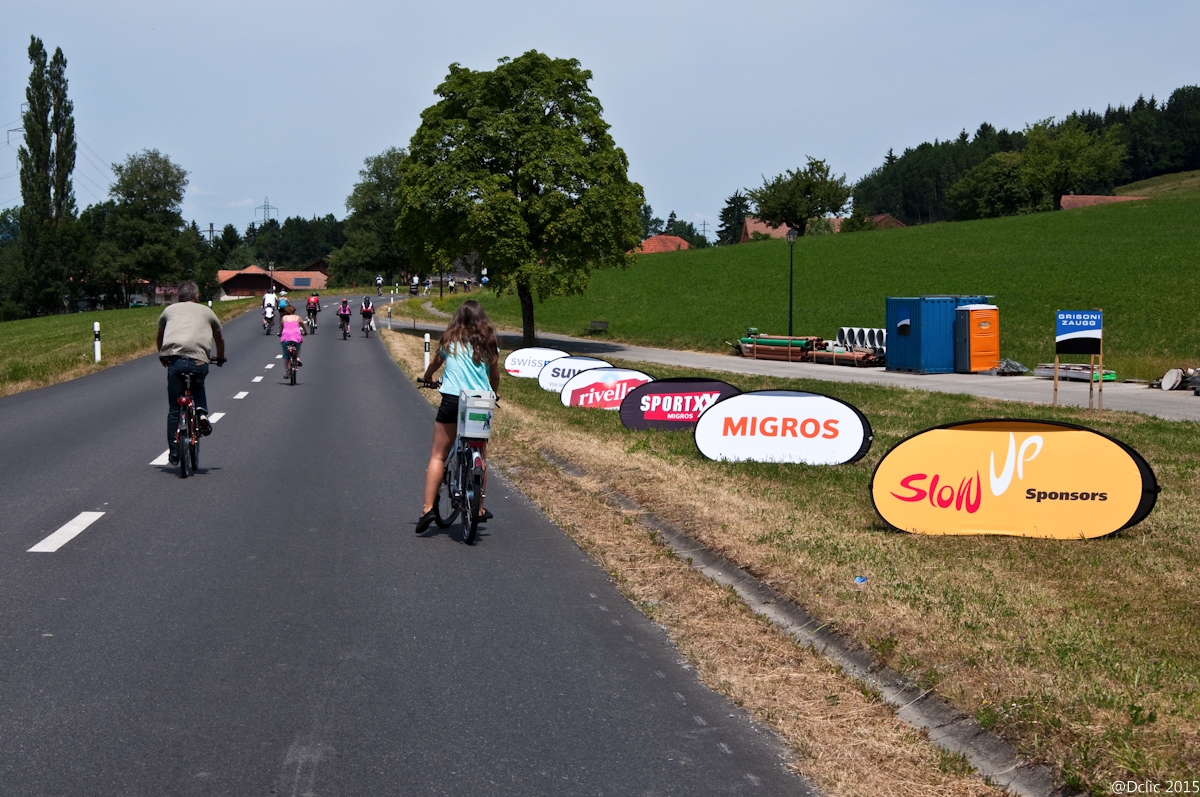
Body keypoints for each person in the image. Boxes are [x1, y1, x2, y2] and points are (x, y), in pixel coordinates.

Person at [415, 300, 500, 534]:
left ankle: (428, 509)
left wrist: (428, 377)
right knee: (480, 454)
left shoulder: (449, 341)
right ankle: (479, 508)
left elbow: (434, 365)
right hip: (480, 401)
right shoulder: (489, 343)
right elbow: (495, 376)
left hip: (453, 400)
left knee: (438, 455)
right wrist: (493, 393)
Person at [157, 280, 225, 464]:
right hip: (199, 361)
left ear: (178, 297)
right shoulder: (207, 311)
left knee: (174, 408)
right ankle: (201, 413)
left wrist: (163, 355)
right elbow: (219, 338)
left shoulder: (169, 310)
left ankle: (174, 454)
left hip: (175, 361)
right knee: (197, 384)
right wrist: (220, 357)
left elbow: (160, 335)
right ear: (197, 296)